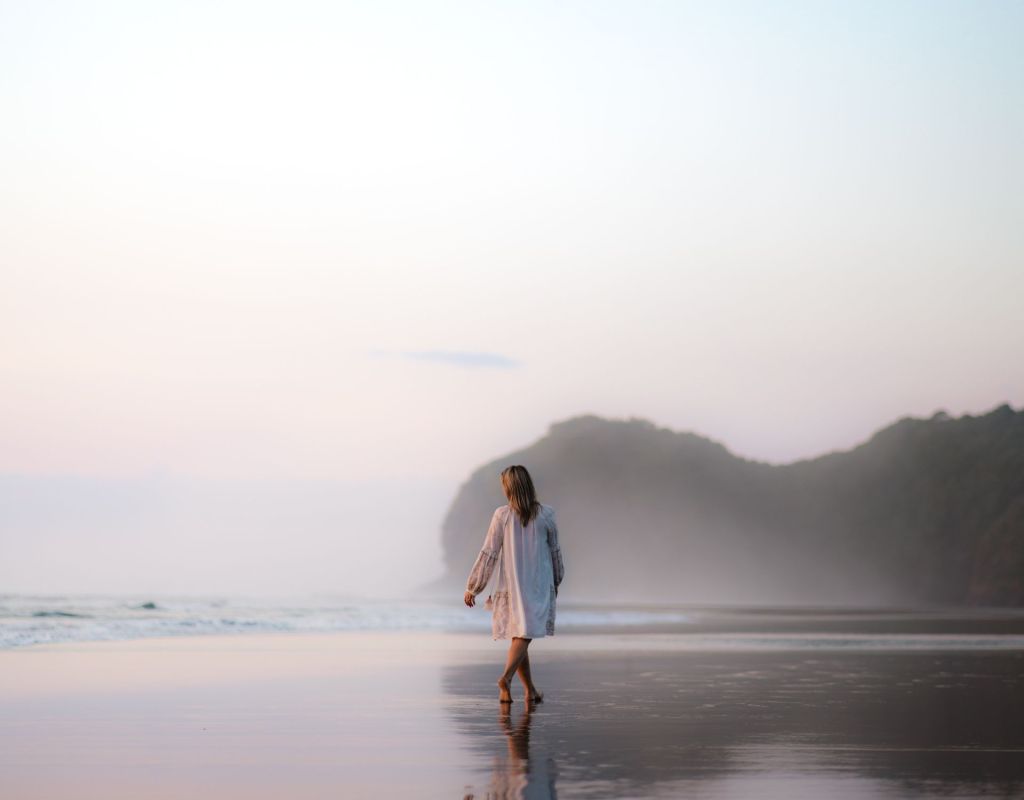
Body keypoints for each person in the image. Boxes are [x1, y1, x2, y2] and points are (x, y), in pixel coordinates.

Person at [464, 465, 565, 704]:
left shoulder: (502, 515)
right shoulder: (546, 515)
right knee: (524, 634)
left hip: (511, 585)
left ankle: (530, 691)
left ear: (509, 488)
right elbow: (555, 553)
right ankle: (506, 679)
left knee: (520, 635)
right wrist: (557, 579)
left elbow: (489, 552)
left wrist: (474, 586)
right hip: (537, 585)